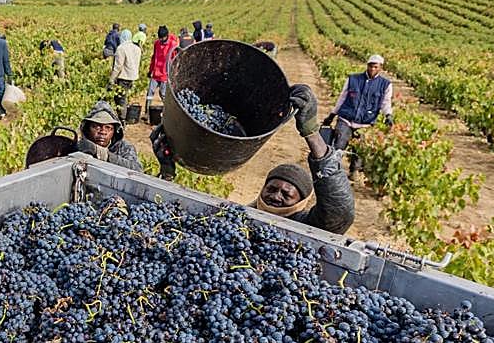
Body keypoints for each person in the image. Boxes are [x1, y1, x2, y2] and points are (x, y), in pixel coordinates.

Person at [150, 84, 354, 234]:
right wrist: (167, 174)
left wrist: (311, 133)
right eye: (272, 188)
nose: (276, 196)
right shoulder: (241, 217)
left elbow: (340, 212)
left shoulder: (307, 226)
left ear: (300, 202)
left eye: (286, 194)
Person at [323, 53, 394, 174]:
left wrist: (388, 115)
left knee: (360, 151)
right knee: (339, 145)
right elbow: (342, 98)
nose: (372, 69)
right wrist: (332, 114)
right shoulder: (353, 79)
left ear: (381, 67)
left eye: (375, 67)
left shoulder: (385, 85)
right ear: (367, 65)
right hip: (346, 119)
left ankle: (353, 172)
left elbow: (385, 103)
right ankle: (331, 171)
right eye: (370, 66)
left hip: (365, 123)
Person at [76, 100, 141, 171]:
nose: (103, 132)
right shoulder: (82, 146)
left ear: (115, 131)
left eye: (108, 128)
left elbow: (137, 170)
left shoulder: (123, 147)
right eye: (97, 127)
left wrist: (101, 153)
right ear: (87, 129)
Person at [110, 28, 141, 114]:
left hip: (123, 78)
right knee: (125, 97)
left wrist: (111, 79)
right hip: (133, 77)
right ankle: (124, 116)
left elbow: (118, 66)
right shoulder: (137, 48)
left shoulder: (121, 48)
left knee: (120, 100)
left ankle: (122, 120)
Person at [145, 26, 177, 109]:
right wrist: (150, 70)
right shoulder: (157, 43)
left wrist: (173, 73)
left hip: (165, 74)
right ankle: (147, 112)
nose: (161, 40)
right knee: (149, 93)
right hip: (155, 73)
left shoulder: (172, 44)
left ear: (167, 36)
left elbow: (175, 60)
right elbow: (154, 57)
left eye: (163, 38)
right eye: (160, 38)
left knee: (162, 93)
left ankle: (168, 111)